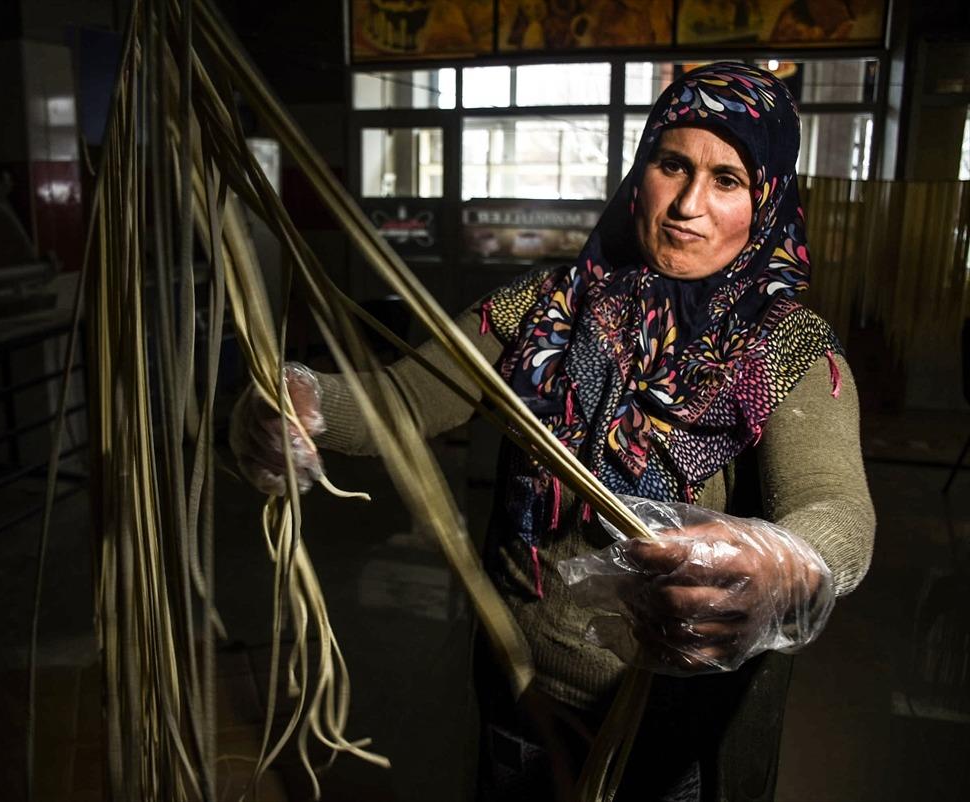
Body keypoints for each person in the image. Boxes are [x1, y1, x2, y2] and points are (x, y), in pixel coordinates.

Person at [229, 62, 874, 802]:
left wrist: (783, 563)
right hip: (524, 692)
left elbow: (837, 508)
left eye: (728, 180)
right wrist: (305, 403)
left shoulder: (782, 346)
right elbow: (405, 399)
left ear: (766, 202)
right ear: (643, 168)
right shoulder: (548, 308)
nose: (689, 204)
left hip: (671, 724)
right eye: (673, 165)